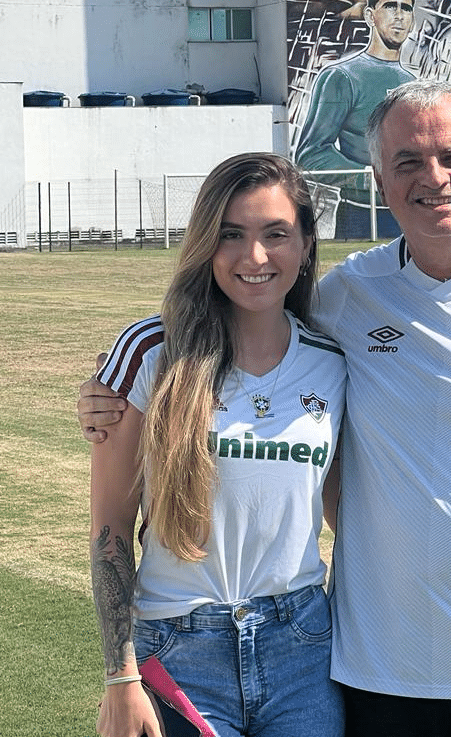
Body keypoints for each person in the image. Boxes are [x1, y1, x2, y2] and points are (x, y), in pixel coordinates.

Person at [80, 82, 451, 737]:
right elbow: (232, 329)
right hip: (378, 674)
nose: (433, 177)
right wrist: (109, 394)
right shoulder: (348, 297)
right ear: (379, 180)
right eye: (407, 161)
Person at [88, 153, 346, 737]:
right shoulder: (151, 351)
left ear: (306, 244)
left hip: (302, 648)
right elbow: (110, 527)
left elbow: (344, 511)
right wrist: (120, 676)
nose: (254, 256)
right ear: (205, 243)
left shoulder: (332, 362)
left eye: (275, 234)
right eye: (231, 234)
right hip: (177, 650)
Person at [294, 0, 415, 173]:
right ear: (369, 16)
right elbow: (312, 155)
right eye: (390, 6)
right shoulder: (341, 76)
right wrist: (370, 179)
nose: (399, 16)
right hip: (364, 193)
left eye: (406, 9)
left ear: (412, 21)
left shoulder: (412, 83)